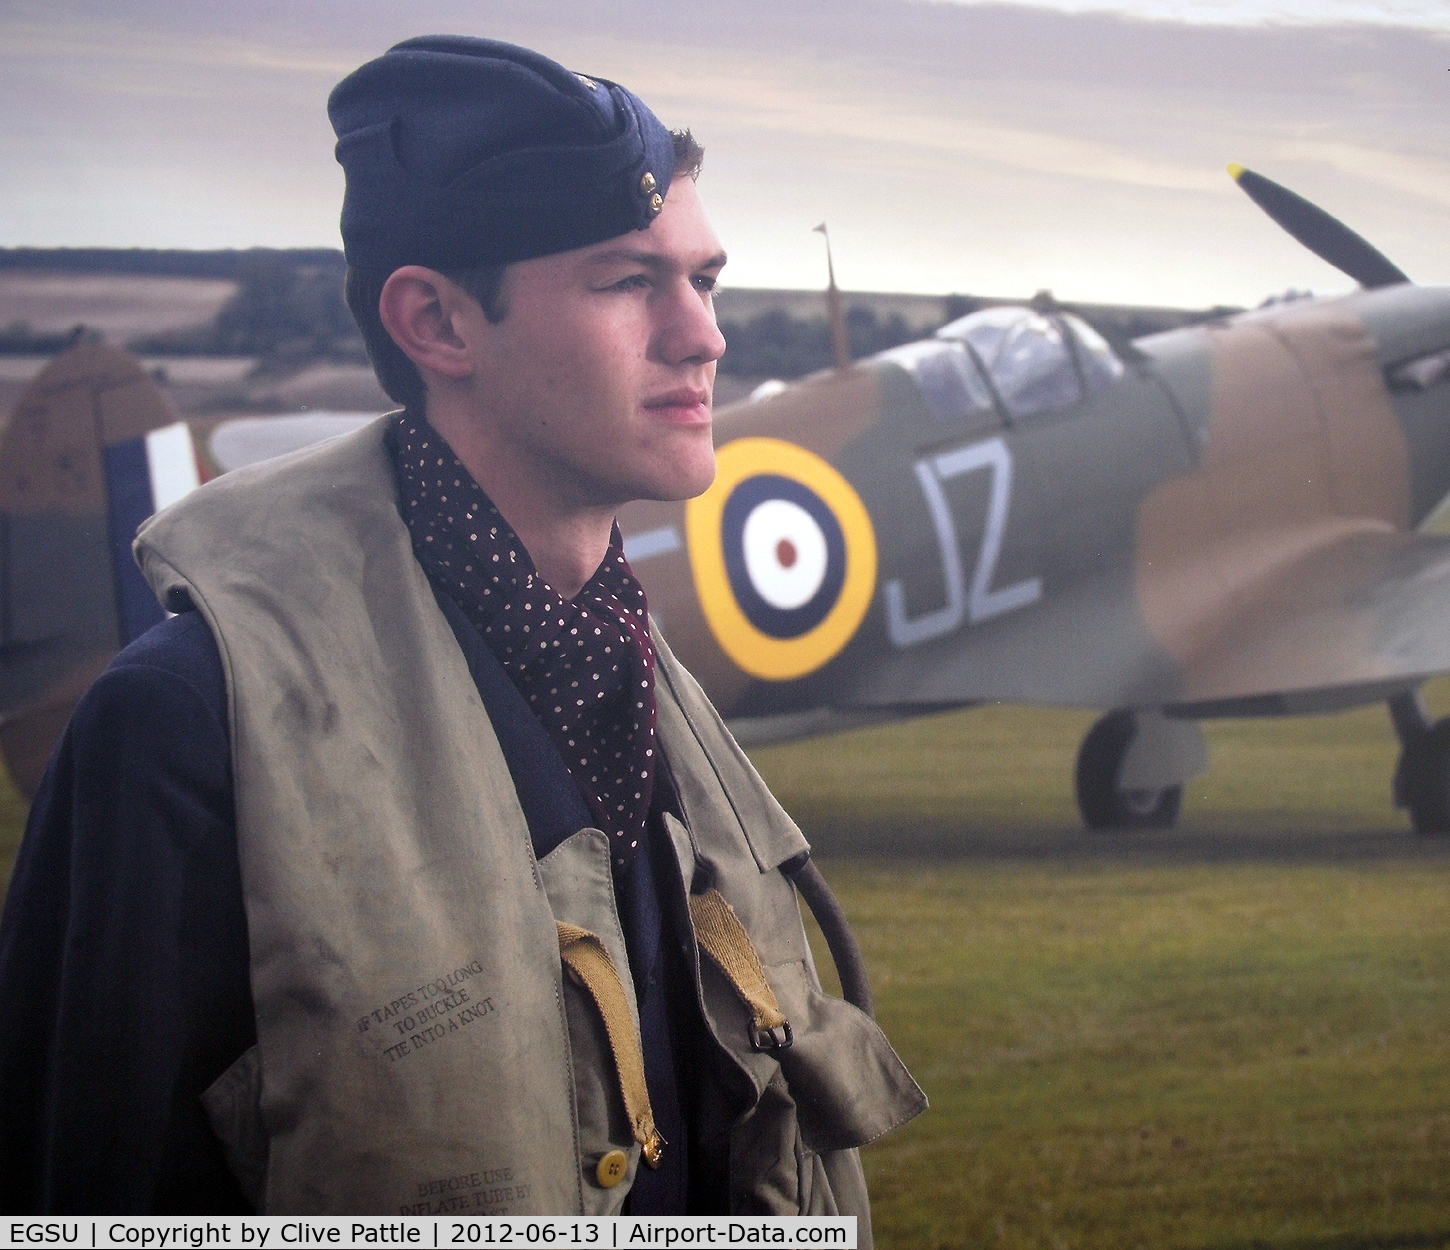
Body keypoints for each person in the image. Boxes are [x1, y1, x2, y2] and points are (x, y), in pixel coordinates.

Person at [0, 34, 923, 1223]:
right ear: (437, 322)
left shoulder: (633, 673)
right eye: (628, 279)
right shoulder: (186, 724)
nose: (704, 336)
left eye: (704, 279)